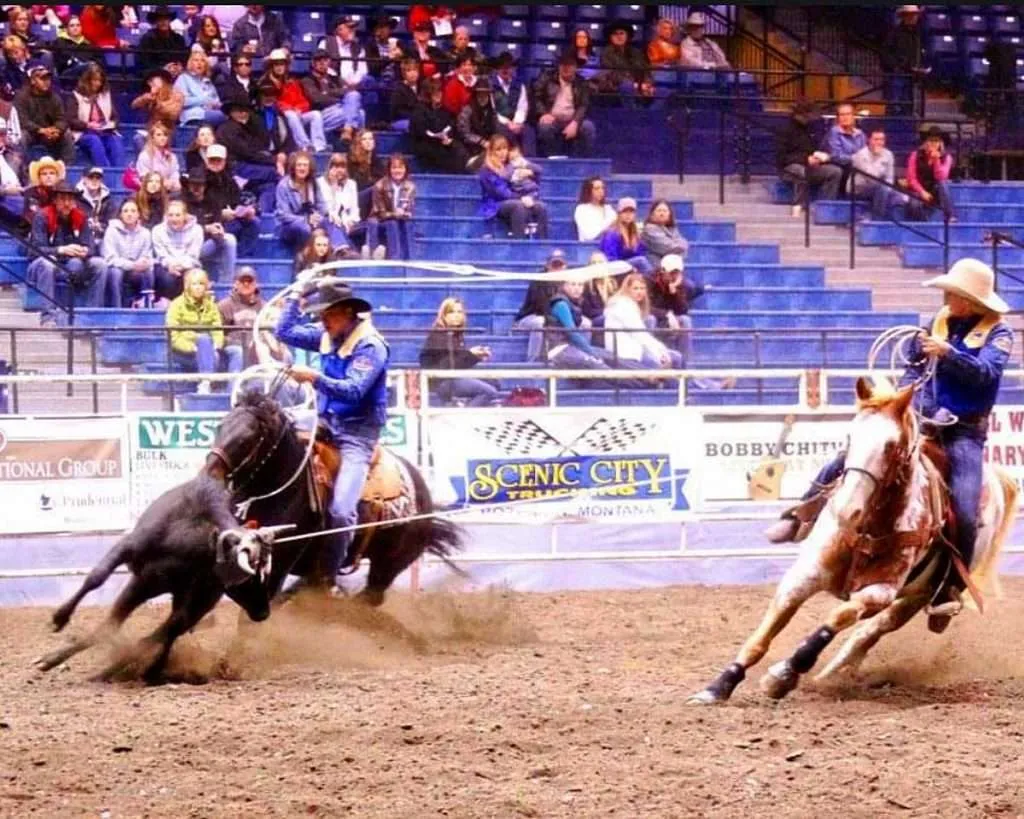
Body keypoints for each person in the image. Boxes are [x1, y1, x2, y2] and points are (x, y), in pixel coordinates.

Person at [764, 258, 1012, 630]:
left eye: (952, 292)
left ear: (970, 300)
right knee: (853, 458)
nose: (945, 296)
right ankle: (802, 513)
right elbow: (913, 366)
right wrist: (908, 389)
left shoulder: (998, 334)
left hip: (963, 432)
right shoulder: (937, 323)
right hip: (923, 421)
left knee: (964, 501)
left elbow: (986, 375)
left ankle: (949, 587)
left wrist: (949, 354)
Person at [276, 280, 389, 590]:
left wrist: (314, 377)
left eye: (329, 315)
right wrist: (297, 296)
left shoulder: (371, 346)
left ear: (349, 313)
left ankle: (327, 578)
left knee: (341, 511)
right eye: (320, 315)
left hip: (357, 433)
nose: (322, 321)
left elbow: (354, 390)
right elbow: (283, 332)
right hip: (324, 420)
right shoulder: (330, 336)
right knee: (274, 433)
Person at [26, 180, 107, 326]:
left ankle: (90, 316)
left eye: (70, 199)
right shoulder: (42, 216)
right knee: (47, 262)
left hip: (71, 265)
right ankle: (48, 318)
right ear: (55, 200)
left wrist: (84, 251)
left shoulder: (81, 217)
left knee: (100, 264)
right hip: (41, 266)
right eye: (63, 199)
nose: (67, 203)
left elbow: (91, 247)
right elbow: (35, 251)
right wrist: (61, 250)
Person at [420, 297, 499, 407]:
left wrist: (476, 356)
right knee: (488, 391)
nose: (456, 315)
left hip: (452, 376)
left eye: (459, 312)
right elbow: (446, 365)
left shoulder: (456, 334)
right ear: (444, 315)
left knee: (494, 382)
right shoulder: (439, 335)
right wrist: (470, 354)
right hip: (440, 380)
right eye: (451, 312)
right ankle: (462, 417)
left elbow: (458, 363)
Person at [216, 94, 283, 213]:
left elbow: (259, 147)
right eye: (238, 111)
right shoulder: (229, 128)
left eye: (245, 111)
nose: (243, 114)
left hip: (245, 166)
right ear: (231, 112)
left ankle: (263, 211)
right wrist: (275, 160)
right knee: (275, 173)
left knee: (269, 186)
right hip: (236, 168)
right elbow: (247, 153)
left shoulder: (244, 128)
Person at [166, 266, 227, 394]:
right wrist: (192, 347)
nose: (198, 287)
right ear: (187, 286)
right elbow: (173, 336)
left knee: (236, 352)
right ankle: (205, 383)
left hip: (209, 351)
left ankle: (234, 390)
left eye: (201, 284)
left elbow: (217, 329)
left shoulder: (211, 305)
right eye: (194, 284)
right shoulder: (176, 305)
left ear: (206, 286)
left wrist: (216, 345)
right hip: (183, 353)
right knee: (203, 339)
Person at [602, 272, 680, 369]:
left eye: (642, 288)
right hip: (626, 354)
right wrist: (659, 354)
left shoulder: (629, 305)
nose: (639, 292)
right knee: (675, 358)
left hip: (635, 350)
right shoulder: (623, 306)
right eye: (635, 288)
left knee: (674, 357)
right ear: (628, 290)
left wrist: (661, 350)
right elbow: (640, 335)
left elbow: (642, 336)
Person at [777, 99, 841, 216]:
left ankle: (824, 208)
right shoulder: (785, 130)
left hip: (810, 166)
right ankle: (798, 206)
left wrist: (817, 157)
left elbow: (811, 150)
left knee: (835, 172)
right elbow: (781, 158)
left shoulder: (809, 129)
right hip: (789, 168)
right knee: (800, 171)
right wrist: (805, 159)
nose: (810, 118)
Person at [478, 134, 548, 239]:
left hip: (516, 198)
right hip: (495, 203)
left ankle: (542, 244)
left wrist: (530, 173)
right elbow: (500, 193)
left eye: (505, 148)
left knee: (541, 207)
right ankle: (519, 243)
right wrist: (521, 198)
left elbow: (532, 182)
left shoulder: (510, 165)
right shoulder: (486, 170)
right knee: (518, 206)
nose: (503, 153)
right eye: (498, 149)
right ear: (491, 151)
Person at [260, 48, 325, 153]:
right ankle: (305, 145)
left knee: (316, 114)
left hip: (296, 115)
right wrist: (289, 109)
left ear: (286, 66)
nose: (279, 67)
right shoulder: (266, 82)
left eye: (282, 64)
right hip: (279, 116)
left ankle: (319, 146)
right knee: (290, 114)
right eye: (276, 64)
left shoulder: (292, 82)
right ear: (271, 66)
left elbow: (304, 101)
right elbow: (271, 102)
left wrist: (299, 109)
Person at [533, 50, 596, 159]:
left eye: (570, 64)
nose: (566, 67)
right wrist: (543, 113)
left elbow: (583, 105)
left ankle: (583, 164)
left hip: (572, 120)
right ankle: (552, 162)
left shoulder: (581, 83)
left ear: (576, 67)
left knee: (588, 127)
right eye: (563, 64)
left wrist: (575, 122)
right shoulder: (546, 79)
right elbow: (536, 97)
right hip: (552, 119)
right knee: (545, 127)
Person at [181, 167, 238, 282]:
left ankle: (226, 283)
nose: (197, 188)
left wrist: (219, 231)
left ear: (205, 185)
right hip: (187, 246)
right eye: (193, 184)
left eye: (200, 184)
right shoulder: (182, 202)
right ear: (188, 185)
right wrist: (206, 228)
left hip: (207, 244)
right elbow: (180, 229)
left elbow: (217, 222)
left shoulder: (213, 201)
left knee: (229, 239)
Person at [203, 143, 261, 256]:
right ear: (207, 161)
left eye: (218, 160)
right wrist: (219, 214)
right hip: (209, 221)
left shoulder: (229, 180)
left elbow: (237, 201)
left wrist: (246, 211)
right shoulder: (199, 179)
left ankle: (241, 256)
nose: (215, 163)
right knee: (234, 227)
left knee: (254, 223)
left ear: (224, 162)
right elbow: (198, 208)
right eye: (212, 160)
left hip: (231, 218)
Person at [317, 16, 368, 141]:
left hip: (353, 86)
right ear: (339, 30)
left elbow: (363, 70)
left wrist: (354, 82)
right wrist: (342, 81)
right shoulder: (326, 43)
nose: (353, 31)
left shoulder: (358, 48)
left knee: (358, 94)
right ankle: (351, 130)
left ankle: (348, 131)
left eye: (354, 28)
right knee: (359, 113)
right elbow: (322, 67)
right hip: (333, 85)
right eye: (349, 28)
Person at [512, 249, 568, 362]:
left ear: (565, 266)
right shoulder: (538, 280)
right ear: (547, 265)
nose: (557, 268)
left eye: (560, 264)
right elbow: (542, 308)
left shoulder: (569, 281)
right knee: (539, 322)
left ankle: (580, 359)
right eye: (554, 264)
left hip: (553, 318)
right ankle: (532, 361)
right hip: (528, 318)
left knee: (585, 323)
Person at [546, 278, 612, 371]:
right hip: (559, 349)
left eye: (580, 285)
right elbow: (573, 333)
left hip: (572, 347)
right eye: (573, 284)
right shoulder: (561, 304)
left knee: (612, 357)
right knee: (601, 366)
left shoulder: (574, 302)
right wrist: (592, 353)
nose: (577, 288)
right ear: (564, 286)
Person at [65, 62, 123, 167]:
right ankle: (106, 172)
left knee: (115, 140)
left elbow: (115, 117)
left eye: (100, 81)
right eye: (95, 80)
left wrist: (112, 124)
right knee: (94, 140)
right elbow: (70, 120)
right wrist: (87, 125)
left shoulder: (105, 96)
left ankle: (119, 173)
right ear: (87, 80)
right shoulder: (75, 96)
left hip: (104, 131)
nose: (98, 84)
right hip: (84, 133)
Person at [15, 61, 74, 161]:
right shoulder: (22, 97)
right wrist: (40, 130)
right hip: (32, 133)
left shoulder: (54, 97)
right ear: (33, 81)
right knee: (22, 135)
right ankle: (22, 167)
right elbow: (22, 120)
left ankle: (66, 167)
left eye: (48, 78)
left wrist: (57, 129)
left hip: (50, 134)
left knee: (67, 134)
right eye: (42, 79)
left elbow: (62, 118)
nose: (47, 81)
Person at [102, 199, 155, 308]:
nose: (129, 214)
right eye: (125, 211)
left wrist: (144, 262)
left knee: (148, 272)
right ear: (120, 215)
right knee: (115, 273)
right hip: (118, 267)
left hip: (136, 270)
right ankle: (116, 309)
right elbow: (110, 258)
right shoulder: (111, 231)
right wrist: (131, 265)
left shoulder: (145, 233)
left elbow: (148, 256)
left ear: (138, 214)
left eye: (133, 211)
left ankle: (146, 307)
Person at [410, 76, 468, 174]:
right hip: (426, 144)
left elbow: (450, 125)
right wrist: (438, 136)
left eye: (440, 92)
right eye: (435, 93)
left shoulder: (444, 110)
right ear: (428, 94)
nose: (439, 95)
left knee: (459, 147)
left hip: (442, 142)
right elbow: (421, 131)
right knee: (450, 155)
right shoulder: (419, 110)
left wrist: (447, 137)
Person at [152, 199, 208, 300]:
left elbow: (193, 255)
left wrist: (181, 265)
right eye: (171, 215)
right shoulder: (157, 230)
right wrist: (171, 265)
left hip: (189, 264)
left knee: (194, 278)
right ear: (166, 216)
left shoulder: (197, 230)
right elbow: (161, 255)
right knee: (167, 278)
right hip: (166, 265)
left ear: (185, 216)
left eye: (178, 215)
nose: (174, 219)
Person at [302, 49, 359, 147]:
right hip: (322, 114)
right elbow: (318, 99)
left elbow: (350, 91)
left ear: (329, 62)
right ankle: (349, 130)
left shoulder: (334, 78)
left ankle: (350, 135)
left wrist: (328, 93)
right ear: (313, 62)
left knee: (355, 98)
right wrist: (339, 98)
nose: (322, 63)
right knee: (356, 113)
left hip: (340, 110)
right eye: (318, 60)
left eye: (325, 60)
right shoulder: (308, 80)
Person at [366, 153, 416, 261]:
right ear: (389, 170)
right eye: (394, 167)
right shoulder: (379, 185)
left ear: (405, 169)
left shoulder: (410, 186)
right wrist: (395, 214)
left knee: (408, 223)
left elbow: (409, 208)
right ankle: (395, 258)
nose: (397, 171)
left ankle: (410, 259)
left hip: (399, 218)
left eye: (400, 167)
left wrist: (405, 213)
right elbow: (380, 212)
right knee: (392, 223)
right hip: (380, 219)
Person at [276, 150, 326, 254]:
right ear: (294, 167)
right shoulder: (283, 185)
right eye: (299, 165)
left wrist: (318, 217)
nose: (302, 168)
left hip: (311, 222)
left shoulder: (313, 183)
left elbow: (322, 206)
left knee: (330, 223)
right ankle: (303, 259)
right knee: (304, 228)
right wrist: (306, 220)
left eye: (305, 165)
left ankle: (341, 254)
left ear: (309, 168)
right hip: (288, 226)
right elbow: (283, 215)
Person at [217, 265, 263, 371]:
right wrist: (233, 342)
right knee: (239, 352)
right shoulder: (224, 306)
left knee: (286, 355)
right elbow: (218, 333)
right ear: (235, 284)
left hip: (257, 346)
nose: (246, 284)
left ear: (256, 284)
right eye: (242, 281)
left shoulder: (264, 306)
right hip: (233, 347)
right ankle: (233, 387)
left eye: (250, 281)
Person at [881, 5, 924, 117]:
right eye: (912, 15)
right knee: (896, 103)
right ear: (905, 16)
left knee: (907, 105)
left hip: (910, 75)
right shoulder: (894, 33)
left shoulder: (916, 34)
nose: (914, 17)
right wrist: (896, 66)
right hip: (898, 74)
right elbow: (885, 53)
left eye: (915, 15)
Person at [906, 126, 955, 222]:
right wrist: (922, 192)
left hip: (935, 190)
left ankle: (950, 215)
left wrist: (936, 160)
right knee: (914, 205)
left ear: (940, 143)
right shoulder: (915, 155)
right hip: (918, 189)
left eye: (936, 141)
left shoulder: (947, 157)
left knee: (943, 184)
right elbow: (911, 178)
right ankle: (925, 224)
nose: (933, 144)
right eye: (930, 141)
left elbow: (941, 177)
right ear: (925, 142)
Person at [598, 20, 654, 103]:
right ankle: (632, 114)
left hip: (640, 86)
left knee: (664, 91)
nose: (619, 36)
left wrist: (647, 84)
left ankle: (651, 114)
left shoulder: (636, 52)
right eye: (615, 34)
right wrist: (636, 86)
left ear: (627, 36)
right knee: (627, 87)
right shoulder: (607, 53)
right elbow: (613, 75)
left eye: (622, 33)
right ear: (610, 37)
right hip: (617, 88)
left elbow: (646, 70)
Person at [491, 51, 534, 157]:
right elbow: (492, 109)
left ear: (513, 69)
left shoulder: (519, 86)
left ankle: (529, 162)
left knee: (529, 131)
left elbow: (522, 107)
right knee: (504, 131)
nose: (505, 70)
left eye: (508, 67)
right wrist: (508, 123)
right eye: (502, 67)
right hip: (498, 121)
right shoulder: (490, 85)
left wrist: (517, 122)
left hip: (516, 122)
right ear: (497, 69)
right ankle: (513, 160)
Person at [851, 129, 901, 220]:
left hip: (879, 188)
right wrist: (878, 157)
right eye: (876, 139)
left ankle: (890, 224)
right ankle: (877, 221)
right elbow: (871, 178)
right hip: (859, 189)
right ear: (869, 140)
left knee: (900, 197)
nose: (879, 142)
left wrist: (888, 190)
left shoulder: (888, 154)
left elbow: (890, 177)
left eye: (882, 139)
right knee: (881, 189)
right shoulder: (861, 155)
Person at [317, 152, 360, 252]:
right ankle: (344, 250)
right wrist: (333, 186)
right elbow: (327, 209)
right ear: (330, 168)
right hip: (326, 220)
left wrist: (351, 220)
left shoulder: (351, 184)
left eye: (342, 167)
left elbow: (355, 208)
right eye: (336, 166)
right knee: (333, 221)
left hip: (346, 221)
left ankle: (349, 253)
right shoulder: (320, 183)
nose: (339, 170)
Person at [823, 103, 866, 197]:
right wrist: (855, 159)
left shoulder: (860, 134)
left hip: (856, 167)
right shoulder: (834, 132)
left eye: (848, 114)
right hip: (841, 167)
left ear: (853, 116)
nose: (845, 117)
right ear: (838, 118)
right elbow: (836, 156)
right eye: (842, 115)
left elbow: (864, 154)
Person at [599, 198, 651, 275]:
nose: (628, 214)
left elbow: (640, 253)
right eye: (625, 211)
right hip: (614, 268)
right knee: (641, 261)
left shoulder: (635, 234)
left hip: (629, 267)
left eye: (631, 212)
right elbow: (611, 258)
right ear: (619, 214)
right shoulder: (612, 233)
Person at [174, 48, 224, 126]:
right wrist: (203, 100)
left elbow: (215, 99)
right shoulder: (183, 78)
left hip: (210, 113)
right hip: (192, 116)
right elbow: (181, 101)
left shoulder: (207, 81)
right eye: (196, 60)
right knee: (221, 117)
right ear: (191, 63)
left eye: (202, 61)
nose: (199, 63)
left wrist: (216, 104)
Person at [457, 78, 497, 169]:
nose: (483, 97)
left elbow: (495, 129)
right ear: (476, 94)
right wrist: (481, 142)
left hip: (489, 146)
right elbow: (464, 133)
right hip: (470, 148)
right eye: (480, 94)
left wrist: (493, 142)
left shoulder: (492, 111)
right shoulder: (467, 110)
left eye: (485, 94)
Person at [74, 166, 115, 252]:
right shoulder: (75, 197)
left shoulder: (108, 200)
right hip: (81, 240)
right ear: (83, 179)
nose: (94, 180)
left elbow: (112, 223)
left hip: (103, 239)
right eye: (91, 177)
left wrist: (100, 227)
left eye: (98, 178)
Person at [138, 6, 188, 76]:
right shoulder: (147, 39)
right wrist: (163, 69)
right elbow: (145, 63)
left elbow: (183, 58)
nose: (163, 22)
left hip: (176, 74)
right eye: (160, 19)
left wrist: (179, 66)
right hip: (155, 75)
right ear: (156, 21)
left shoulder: (178, 38)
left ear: (170, 20)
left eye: (166, 19)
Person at [641, 200, 689, 272]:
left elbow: (684, 246)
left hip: (673, 269)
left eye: (665, 211)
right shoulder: (649, 228)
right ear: (652, 214)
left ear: (669, 214)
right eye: (659, 210)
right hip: (656, 269)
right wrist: (680, 247)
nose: (662, 213)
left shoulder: (672, 229)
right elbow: (667, 248)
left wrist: (681, 247)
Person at [348, 128, 386, 217]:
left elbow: (383, 179)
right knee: (376, 188)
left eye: (370, 139)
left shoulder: (376, 160)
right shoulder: (352, 160)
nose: (368, 142)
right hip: (356, 197)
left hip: (373, 197)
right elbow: (356, 184)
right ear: (359, 142)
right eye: (364, 139)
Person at [135, 120, 181, 192]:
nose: (162, 138)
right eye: (159, 135)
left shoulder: (172, 157)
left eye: (165, 135)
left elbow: (175, 173)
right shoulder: (145, 155)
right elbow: (144, 176)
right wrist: (161, 182)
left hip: (168, 190)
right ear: (152, 138)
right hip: (150, 190)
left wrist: (172, 182)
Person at [53, 15, 103, 79]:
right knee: (89, 66)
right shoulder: (59, 42)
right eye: (72, 25)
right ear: (66, 28)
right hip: (67, 75)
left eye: (78, 25)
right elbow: (58, 63)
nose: (75, 28)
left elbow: (99, 62)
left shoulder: (89, 44)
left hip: (89, 75)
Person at [0, 117, 25, 232]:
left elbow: (26, 178)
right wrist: (5, 191)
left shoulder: (15, 155)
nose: (1, 137)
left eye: (2, 134)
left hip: (19, 195)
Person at [574, 177, 617, 242]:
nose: (601, 191)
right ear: (589, 191)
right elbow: (589, 236)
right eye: (597, 188)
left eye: (602, 188)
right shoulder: (581, 209)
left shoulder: (608, 209)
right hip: (589, 248)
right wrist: (609, 225)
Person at [365, 14, 405, 82]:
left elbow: (407, 64)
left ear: (390, 29)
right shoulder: (370, 46)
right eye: (379, 27)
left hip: (396, 82)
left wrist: (402, 56)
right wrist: (389, 58)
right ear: (375, 30)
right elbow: (372, 68)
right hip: (378, 81)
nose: (382, 30)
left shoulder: (398, 44)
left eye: (385, 27)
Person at [24, 155, 63, 221]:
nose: (48, 176)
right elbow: (34, 216)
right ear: (39, 177)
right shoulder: (31, 192)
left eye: (52, 173)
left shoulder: (63, 192)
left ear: (57, 177)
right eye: (44, 174)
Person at [389, 57, 421, 133]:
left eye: (415, 70)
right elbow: (398, 112)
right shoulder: (398, 90)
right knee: (417, 124)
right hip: (401, 120)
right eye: (409, 71)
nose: (413, 73)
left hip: (419, 119)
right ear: (404, 73)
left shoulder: (422, 87)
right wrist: (417, 117)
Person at [442, 53, 477, 118]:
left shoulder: (479, 82)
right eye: (464, 65)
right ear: (458, 68)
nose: (467, 68)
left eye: (470, 65)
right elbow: (450, 107)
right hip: (457, 119)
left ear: (474, 67)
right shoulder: (452, 84)